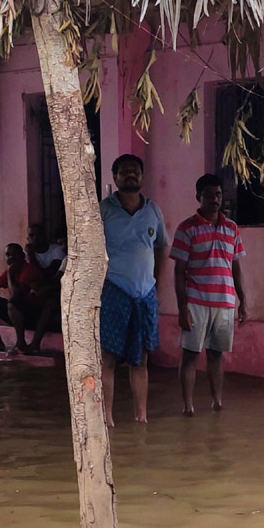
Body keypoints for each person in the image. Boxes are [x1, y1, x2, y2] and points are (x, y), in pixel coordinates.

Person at [170, 173, 248, 416]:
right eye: (209, 195)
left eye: (218, 195)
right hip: (196, 302)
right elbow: (179, 271)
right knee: (191, 355)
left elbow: (236, 267)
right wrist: (182, 309)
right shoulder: (186, 228)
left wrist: (243, 301)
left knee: (216, 356)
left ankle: (217, 402)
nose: (215, 199)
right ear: (198, 197)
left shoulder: (232, 228)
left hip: (224, 303)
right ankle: (188, 406)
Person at [100, 154, 168, 424]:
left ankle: (142, 418)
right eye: (125, 171)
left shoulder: (153, 211)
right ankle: (106, 419)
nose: (131, 175)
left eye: (135, 171)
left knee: (140, 360)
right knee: (109, 358)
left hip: (145, 295)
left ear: (141, 176)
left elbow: (162, 247)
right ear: (114, 177)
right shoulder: (103, 210)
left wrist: (157, 286)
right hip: (112, 290)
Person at [22, 224, 65, 354]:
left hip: (58, 291)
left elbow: (51, 275)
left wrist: (31, 257)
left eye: (37, 235)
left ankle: (35, 343)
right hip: (41, 291)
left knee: (49, 302)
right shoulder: (25, 255)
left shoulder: (57, 251)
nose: (34, 239)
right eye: (31, 235)